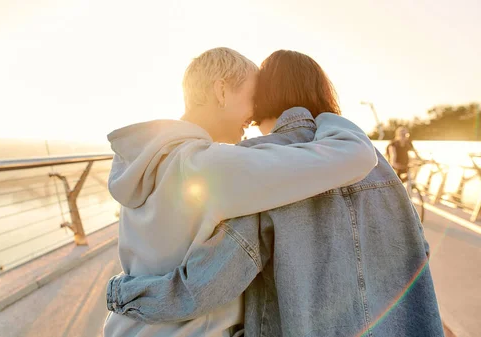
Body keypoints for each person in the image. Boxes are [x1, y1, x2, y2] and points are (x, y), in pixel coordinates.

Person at [106, 50, 444, 337]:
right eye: (251, 98)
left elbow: (205, 284)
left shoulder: (146, 162)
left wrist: (121, 293)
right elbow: (415, 245)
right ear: (222, 91)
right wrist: (330, 119)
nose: (252, 115)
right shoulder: (218, 166)